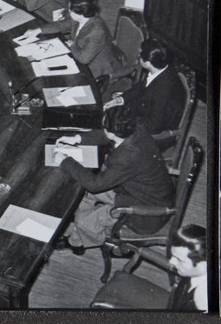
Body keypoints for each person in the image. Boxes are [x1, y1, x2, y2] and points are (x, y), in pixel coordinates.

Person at [52, 106, 174, 253]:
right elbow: (110, 135)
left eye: (104, 127)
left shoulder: (127, 156)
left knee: (85, 221)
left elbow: (95, 185)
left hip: (146, 212)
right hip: (144, 191)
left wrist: (65, 161)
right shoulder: (136, 127)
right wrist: (78, 138)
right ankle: (77, 234)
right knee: (82, 195)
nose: (103, 129)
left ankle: (77, 243)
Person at [21, 0, 125, 79]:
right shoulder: (81, 18)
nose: (68, 11)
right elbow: (61, 25)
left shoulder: (97, 32)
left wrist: (72, 45)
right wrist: (38, 30)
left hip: (97, 69)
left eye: (70, 10)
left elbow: (84, 59)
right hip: (79, 55)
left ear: (80, 14)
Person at [103, 38, 185, 149]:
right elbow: (143, 86)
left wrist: (124, 119)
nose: (138, 56)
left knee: (108, 130)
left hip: (154, 137)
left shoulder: (163, 90)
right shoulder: (162, 68)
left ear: (147, 63)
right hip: (146, 112)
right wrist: (121, 100)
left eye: (139, 55)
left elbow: (153, 126)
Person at [169, 224, 208, 312]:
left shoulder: (202, 300)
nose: (171, 261)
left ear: (203, 265)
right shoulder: (198, 273)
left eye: (179, 259)